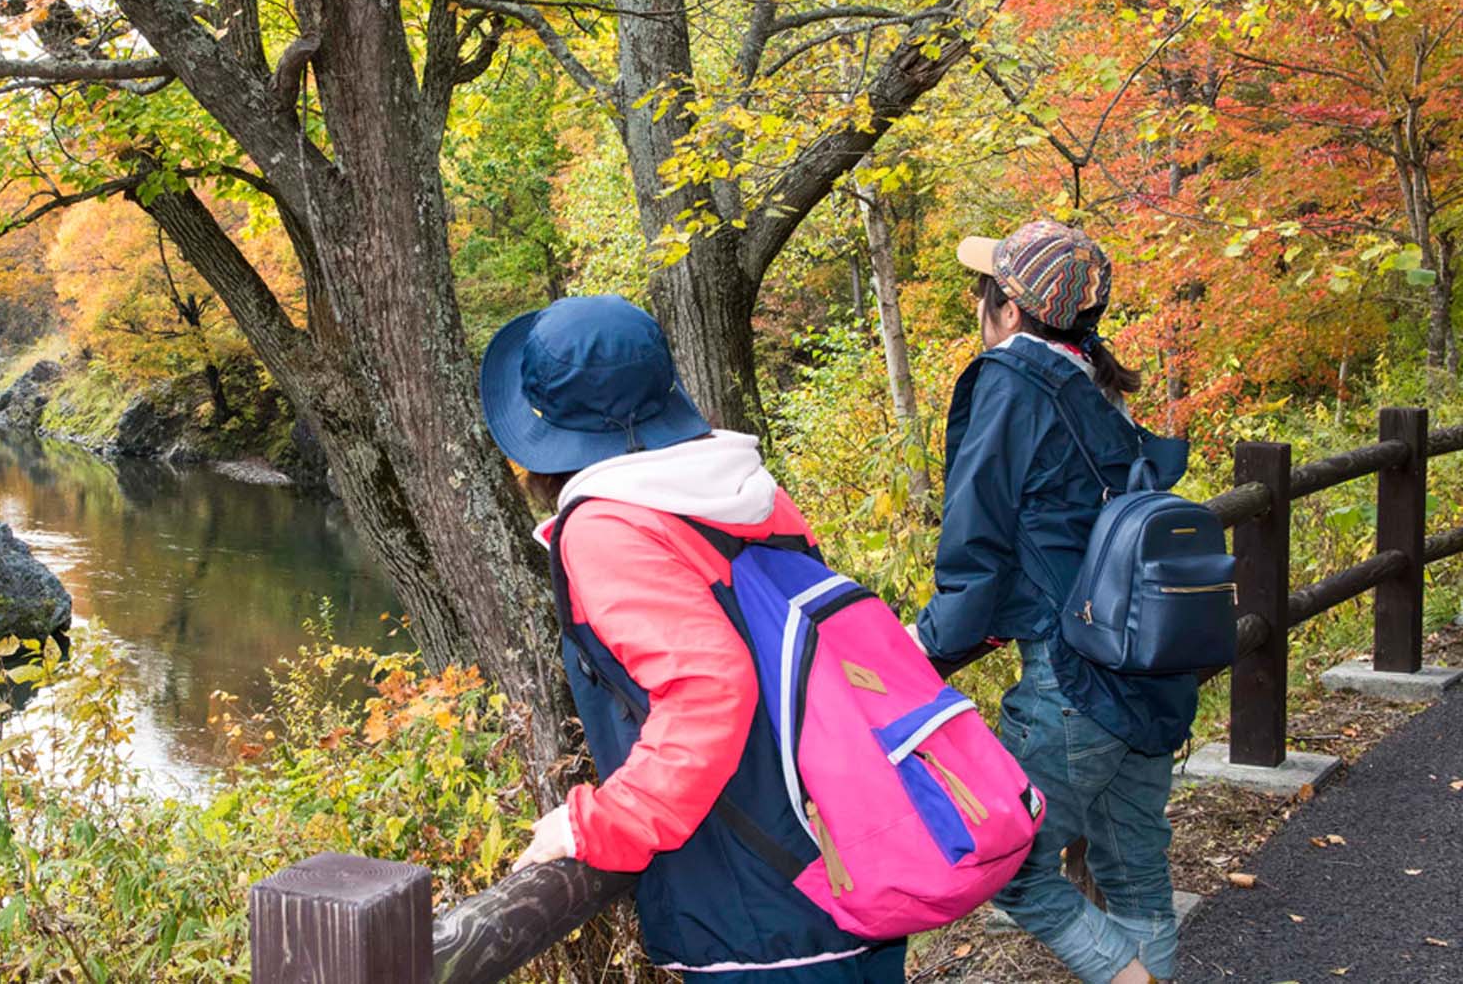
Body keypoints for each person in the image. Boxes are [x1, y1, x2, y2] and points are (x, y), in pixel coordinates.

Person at [480, 294, 906, 983]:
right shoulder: (740, 491)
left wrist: (601, 822)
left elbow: (712, 687)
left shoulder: (608, 527)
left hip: (756, 910)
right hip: (838, 863)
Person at [913, 221, 1195, 984]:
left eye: (983, 290)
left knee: (1000, 860)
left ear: (1006, 307)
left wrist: (919, 653)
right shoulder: (1098, 388)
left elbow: (976, 546)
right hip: (1146, 670)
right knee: (1137, 872)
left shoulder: (1009, 383)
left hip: (1072, 681)